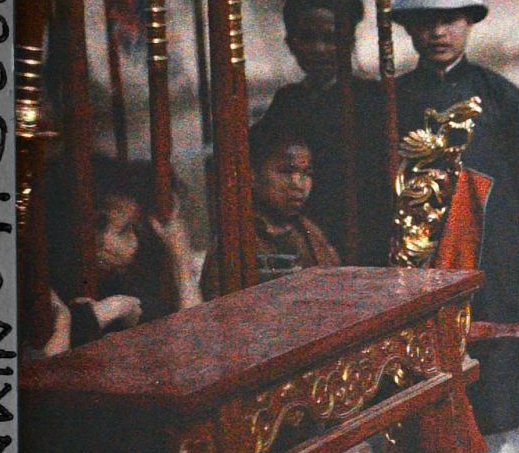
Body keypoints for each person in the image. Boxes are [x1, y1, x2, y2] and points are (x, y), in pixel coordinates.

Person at [390, 0, 519, 453]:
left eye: (450, 18)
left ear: (471, 21)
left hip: (492, 266)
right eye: (425, 20)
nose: (438, 31)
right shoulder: (392, 101)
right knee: (426, 392)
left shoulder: (500, 97)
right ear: (407, 27)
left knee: (497, 401)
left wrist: (492, 240)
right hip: (419, 265)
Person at [261, 0, 393, 265]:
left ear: (350, 42)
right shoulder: (288, 100)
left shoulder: (373, 99)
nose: (318, 49)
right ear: (290, 43)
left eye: (331, 39)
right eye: (307, 38)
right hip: (303, 238)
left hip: (365, 235)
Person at [54, 157, 201, 345]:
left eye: (136, 228)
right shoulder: (52, 293)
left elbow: (195, 340)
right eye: (124, 230)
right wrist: (108, 311)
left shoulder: (121, 283)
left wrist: (181, 257)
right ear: (89, 230)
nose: (135, 242)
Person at [200, 114, 340, 299]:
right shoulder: (236, 239)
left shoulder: (310, 233)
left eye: (307, 173)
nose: (298, 184)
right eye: (286, 171)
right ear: (252, 175)